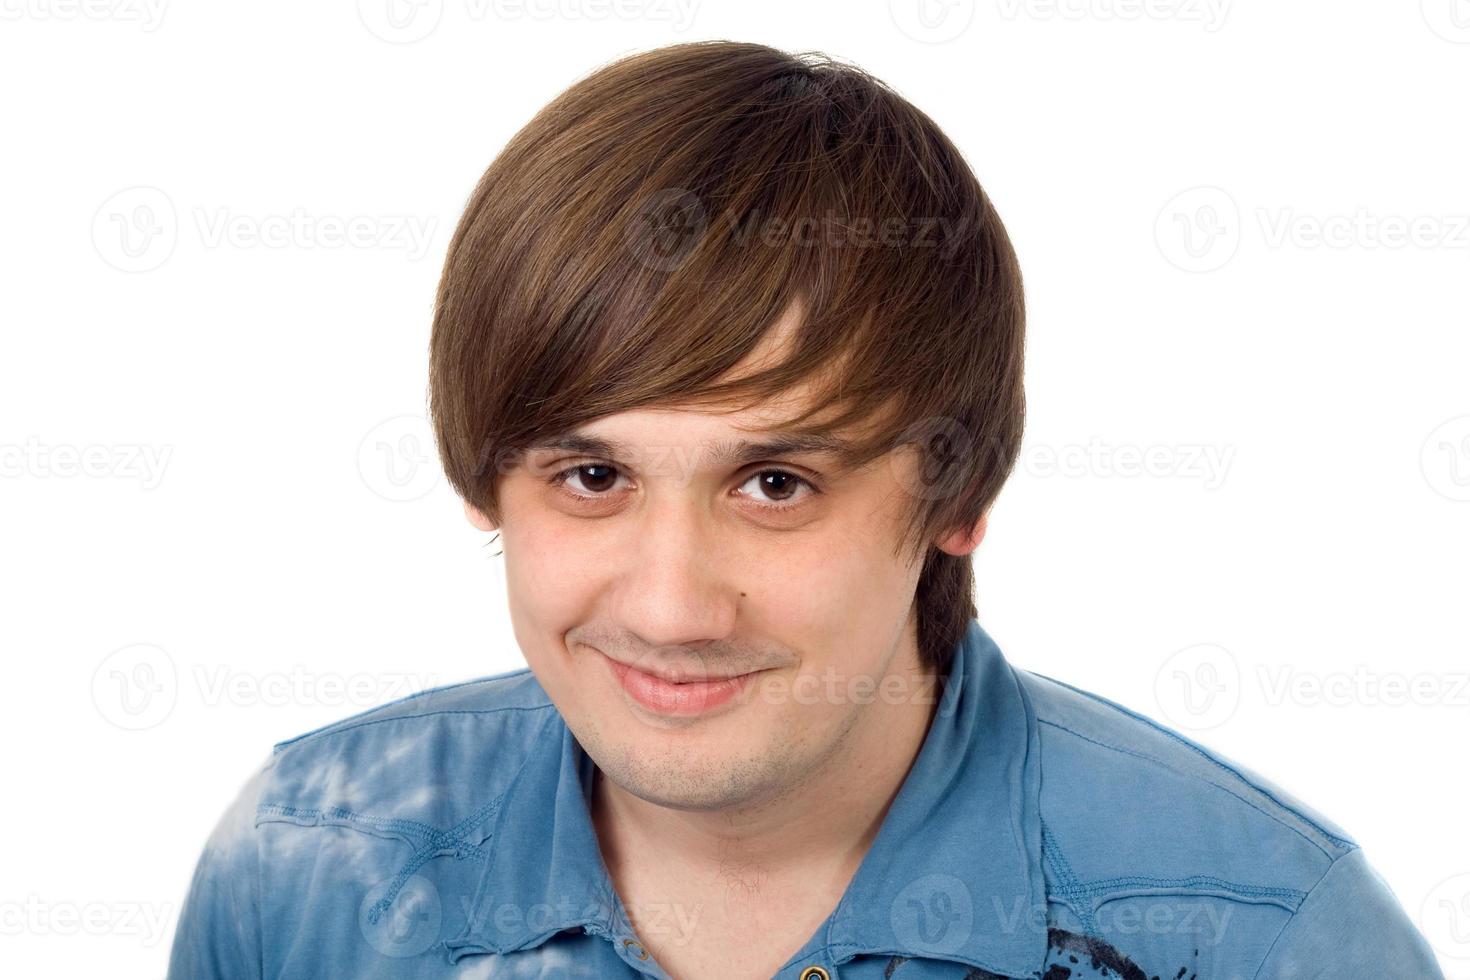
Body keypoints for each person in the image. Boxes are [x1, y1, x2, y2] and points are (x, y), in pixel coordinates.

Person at [166, 40, 1444, 979]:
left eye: (775, 483)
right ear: (484, 481)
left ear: (959, 493)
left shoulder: (1266, 936)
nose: (669, 603)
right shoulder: (305, 871)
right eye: (593, 477)